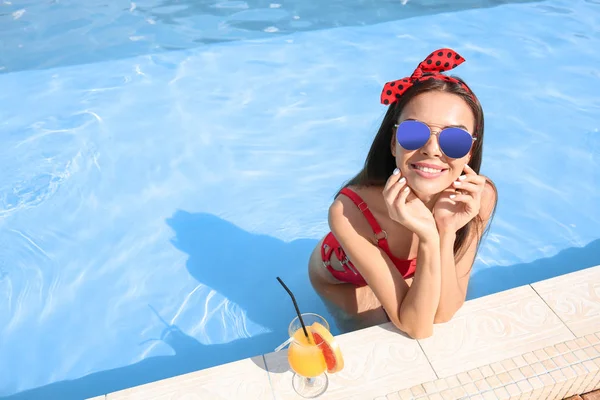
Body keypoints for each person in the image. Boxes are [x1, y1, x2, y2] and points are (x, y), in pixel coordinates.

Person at [308, 48, 498, 339]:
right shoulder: (350, 211)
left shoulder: (478, 197)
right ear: (394, 142)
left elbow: (444, 313)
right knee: (377, 336)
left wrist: (444, 232)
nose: (433, 149)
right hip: (347, 280)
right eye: (414, 133)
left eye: (455, 140)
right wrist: (426, 235)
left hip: (409, 257)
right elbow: (417, 329)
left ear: (470, 151)